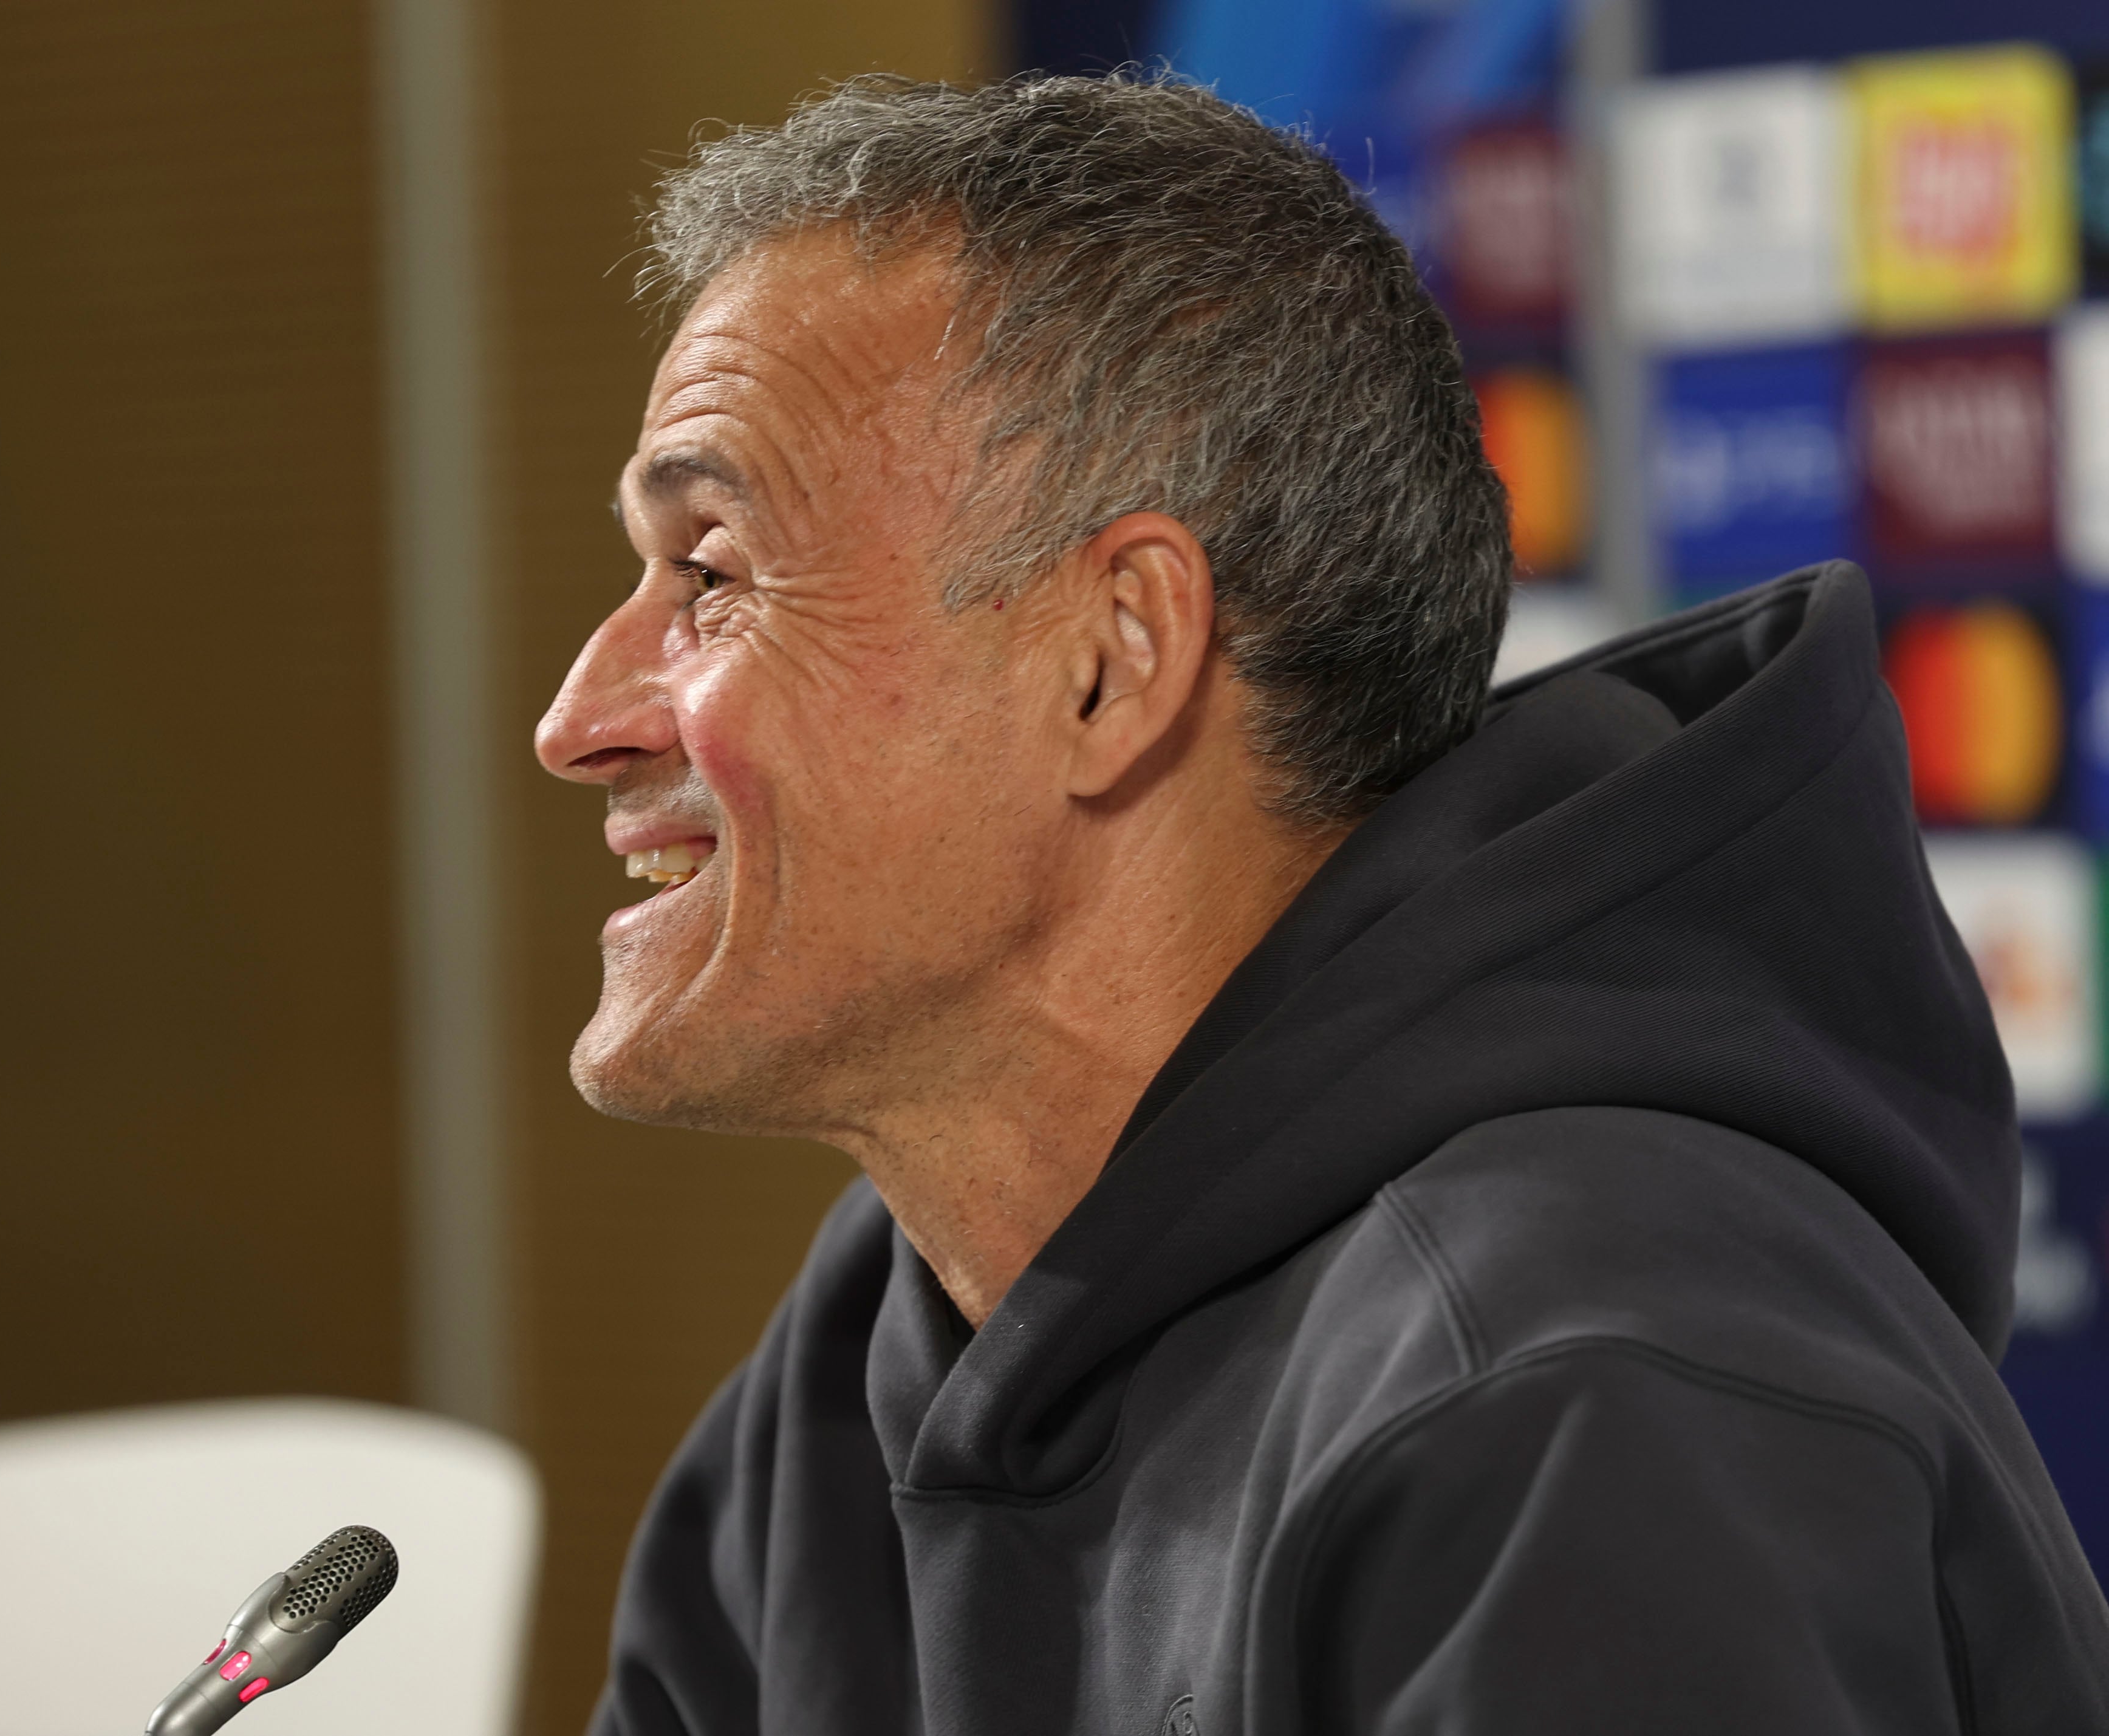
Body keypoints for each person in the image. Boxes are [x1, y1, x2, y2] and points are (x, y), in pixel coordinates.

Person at [531, 72, 2109, 1736]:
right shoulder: (871, 1349)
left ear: (1112, 659)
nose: (577, 721)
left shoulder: (1578, 1379)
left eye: (711, 575)